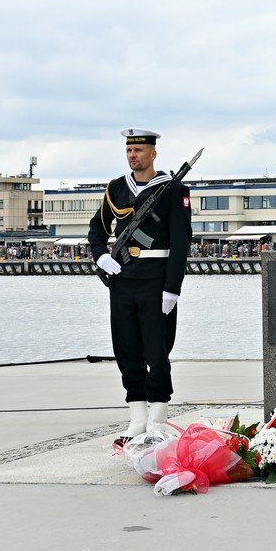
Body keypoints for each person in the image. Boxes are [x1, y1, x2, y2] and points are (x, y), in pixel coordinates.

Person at [88, 129, 191, 442]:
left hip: (156, 279)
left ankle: (158, 415)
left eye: (139, 150)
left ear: (153, 154)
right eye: (129, 150)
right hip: (122, 279)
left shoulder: (174, 190)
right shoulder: (116, 189)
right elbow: (97, 229)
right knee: (126, 348)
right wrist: (101, 256)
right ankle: (137, 415)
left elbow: (180, 242)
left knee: (157, 350)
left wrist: (172, 288)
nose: (133, 155)